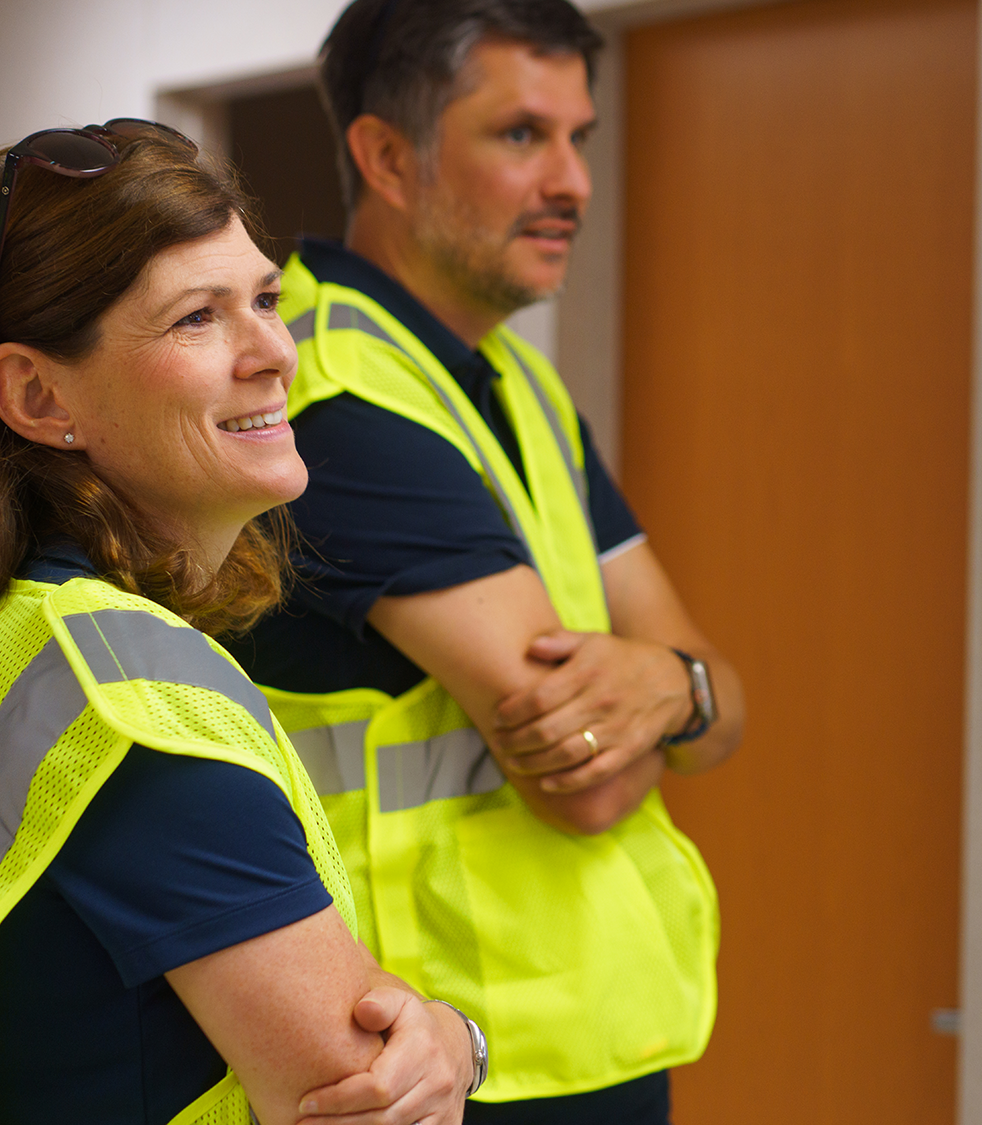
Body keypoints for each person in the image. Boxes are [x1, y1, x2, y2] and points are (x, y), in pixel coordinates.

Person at [0, 120, 484, 1125]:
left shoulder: (36, 641)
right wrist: (455, 1042)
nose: (274, 350)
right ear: (37, 393)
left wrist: (449, 1037)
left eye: (267, 299)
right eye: (197, 318)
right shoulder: (136, 711)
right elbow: (375, 1104)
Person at [225, 1, 746, 1120]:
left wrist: (677, 685)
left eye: (579, 138)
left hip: (580, 1039)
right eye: (520, 136)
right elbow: (591, 783)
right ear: (386, 157)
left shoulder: (518, 388)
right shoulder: (338, 401)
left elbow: (718, 695)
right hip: (428, 1055)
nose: (572, 182)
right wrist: (668, 689)